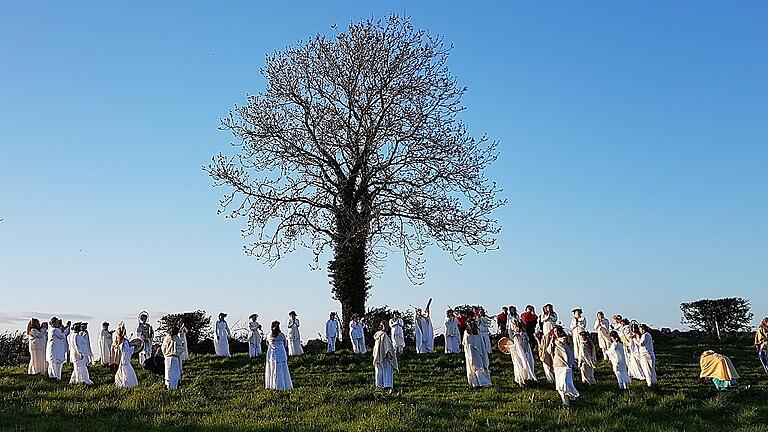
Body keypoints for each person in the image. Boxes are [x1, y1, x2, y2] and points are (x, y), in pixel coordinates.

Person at [549, 326, 578, 406]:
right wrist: (552, 343)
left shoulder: (565, 340)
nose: (556, 333)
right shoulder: (554, 342)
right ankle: (565, 401)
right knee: (559, 385)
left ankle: (571, 396)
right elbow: (549, 351)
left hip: (566, 365)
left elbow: (567, 351)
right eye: (554, 331)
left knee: (566, 383)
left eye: (557, 331)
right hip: (557, 364)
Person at [508, 313, 537, 386]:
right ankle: (526, 379)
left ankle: (524, 380)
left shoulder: (518, 336)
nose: (514, 328)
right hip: (524, 353)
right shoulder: (524, 334)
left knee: (522, 366)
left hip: (521, 354)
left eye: (514, 327)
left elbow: (519, 346)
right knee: (526, 365)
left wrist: (511, 347)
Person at [462, 320, 492, 388]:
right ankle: (475, 383)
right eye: (469, 324)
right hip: (471, 352)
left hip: (478, 352)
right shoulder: (466, 332)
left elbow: (481, 343)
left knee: (479, 366)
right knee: (473, 367)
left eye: (472, 324)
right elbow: (465, 343)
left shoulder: (477, 332)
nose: (471, 325)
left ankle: (483, 382)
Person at [265, 321, 292, 390]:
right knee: (282, 370)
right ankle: (282, 385)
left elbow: (267, 344)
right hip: (281, 354)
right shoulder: (282, 335)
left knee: (272, 368)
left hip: (272, 355)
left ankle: (272, 385)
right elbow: (285, 344)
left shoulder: (268, 335)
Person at [372, 321, 398, 390]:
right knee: (387, 369)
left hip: (378, 355)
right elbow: (387, 346)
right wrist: (389, 353)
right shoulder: (384, 335)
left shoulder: (377, 334)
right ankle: (387, 384)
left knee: (379, 370)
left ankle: (379, 384)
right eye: (384, 325)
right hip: (385, 356)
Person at [113, 322, 138, 388]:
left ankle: (121, 383)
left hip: (120, 360)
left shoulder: (116, 342)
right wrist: (133, 348)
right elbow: (127, 352)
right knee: (127, 373)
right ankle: (128, 384)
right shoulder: (125, 341)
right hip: (125, 360)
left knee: (121, 372)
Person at [162, 325, 183, 389]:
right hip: (174, 358)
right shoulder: (176, 338)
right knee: (174, 374)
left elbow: (163, 348)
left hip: (167, 358)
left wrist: (165, 354)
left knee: (168, 373)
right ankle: (174, 388)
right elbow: (180, 348)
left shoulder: (166, 338)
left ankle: (169, 387)